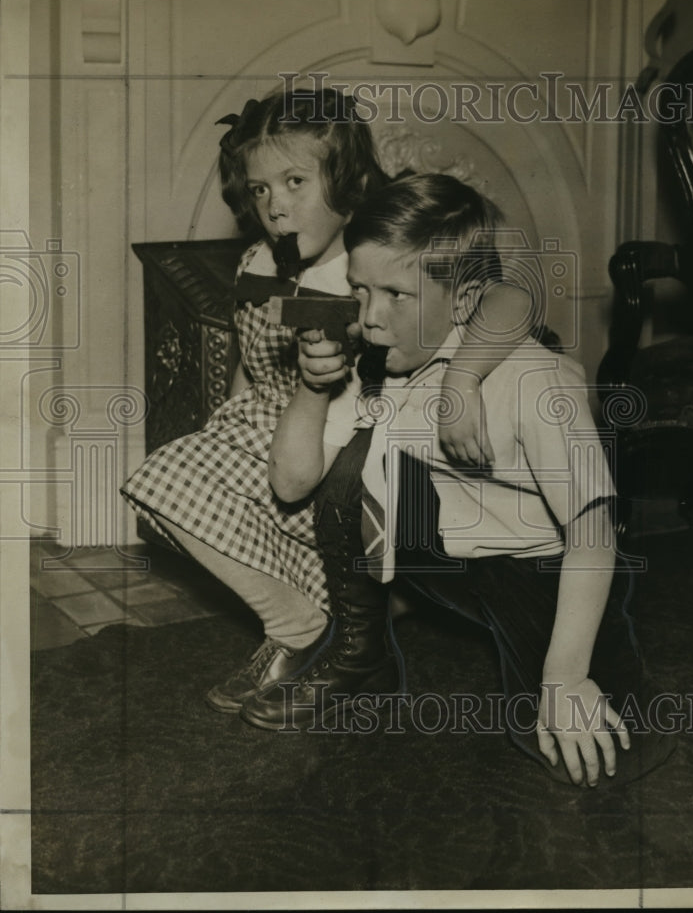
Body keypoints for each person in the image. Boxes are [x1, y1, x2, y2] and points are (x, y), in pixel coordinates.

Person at [242, 172, 676, 789]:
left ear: (467, 301)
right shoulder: (388, 359)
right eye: (360, 291)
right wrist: (312, 391)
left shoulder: (535, 383)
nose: (370, 318)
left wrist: (567, 678)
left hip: (545, 569)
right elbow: (291, 485)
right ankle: (363, 651)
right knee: (350, 473)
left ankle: (593, 668)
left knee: (584, 754)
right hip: (452, 552)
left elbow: (595, 537)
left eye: (396, 294)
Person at [121, 89, 533, 715]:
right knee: (164, 491)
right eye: (260, 190)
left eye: (294, 181)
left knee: (169, 478)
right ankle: (306, 618)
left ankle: (309, 629)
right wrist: (219, 429)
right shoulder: (261, 260)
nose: (275, 207)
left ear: (347, 180)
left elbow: (511, 299)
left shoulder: (373, 254)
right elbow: (248, 355)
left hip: (346, 433)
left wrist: (463, 380)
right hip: (274, 422)